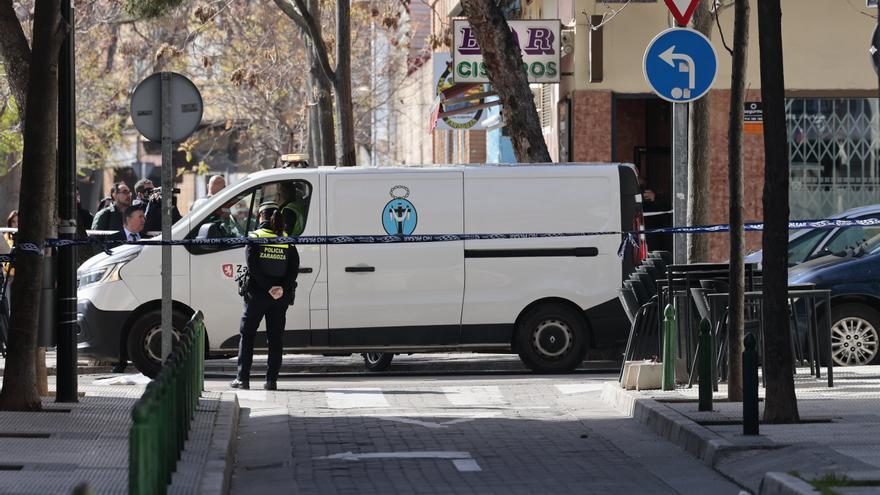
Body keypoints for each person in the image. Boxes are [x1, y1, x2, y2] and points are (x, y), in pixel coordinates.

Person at [231, 201, 299, 391]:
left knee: (248, 335)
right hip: (280, 298)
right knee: (275, 339)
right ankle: (271, 381)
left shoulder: (255, 237)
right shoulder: (286, 240)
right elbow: (293, 270)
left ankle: (242, 379)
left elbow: (253, 268)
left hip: (257, 297)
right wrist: (279, 289)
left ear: (261, 217)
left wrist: (268, 287)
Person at [104, 204, 146, 373]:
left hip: (141, 289)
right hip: (119, 289)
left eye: (144, 217)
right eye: (140, 217)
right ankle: (119, 361)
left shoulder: (147, 238)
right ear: (128, 220)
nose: (144, 220)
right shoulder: (114, 238)